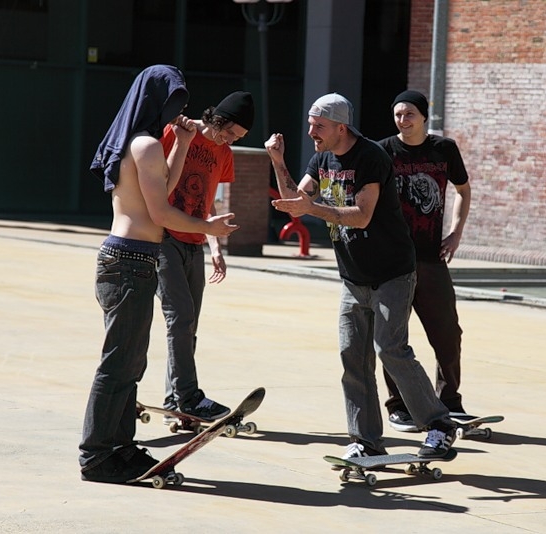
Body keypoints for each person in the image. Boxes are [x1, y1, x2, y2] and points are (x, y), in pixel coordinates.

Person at [264, 93, 457, 459]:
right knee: (352, 356)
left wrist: (314, 207)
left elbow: (362, 215)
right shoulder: (321, 157)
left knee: (390, 349)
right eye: (309, 123)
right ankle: (365, 439)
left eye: (318, 125)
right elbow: (295, 202)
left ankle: (439, 425)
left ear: (340, 127)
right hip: (353, 276)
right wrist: (276, 160)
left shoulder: (371, 157)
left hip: (392, 272)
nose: (311, 131)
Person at [79, 65, 238, 484]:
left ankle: (120, 446)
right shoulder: (146, 144)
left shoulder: (144, 143)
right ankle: (96, 455)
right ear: (156, 102)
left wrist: (183, 143)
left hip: (135, 259)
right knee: (118, 364)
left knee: (131, 363)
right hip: (129, 259)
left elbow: (163, 189)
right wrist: (211, 229)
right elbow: (162, 212)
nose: (178, 113)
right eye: (174, 105)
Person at [156, 91, 255, 422]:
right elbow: (155, 183)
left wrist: (215, 246)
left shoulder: (224, 153)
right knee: (180, 317)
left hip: (195, 241)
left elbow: (210, 199)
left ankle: (174, 401)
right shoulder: (178, 132)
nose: (228, 141)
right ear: (219, 119)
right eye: (229, 133)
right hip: (164, 236)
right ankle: (188, 396)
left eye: (236, 139)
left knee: (189, 324)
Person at [378, 90, 471, 432]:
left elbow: (463, 190)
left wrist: (456, 232)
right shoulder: (383, 150)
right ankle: (399, 405)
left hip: (431, 258)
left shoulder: (443, 150)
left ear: (423, 117)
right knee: (393, 336)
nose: (403, 120)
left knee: (448, 333)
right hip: (393, 261)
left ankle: (449, 401)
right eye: (398, 114)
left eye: (409, 114)